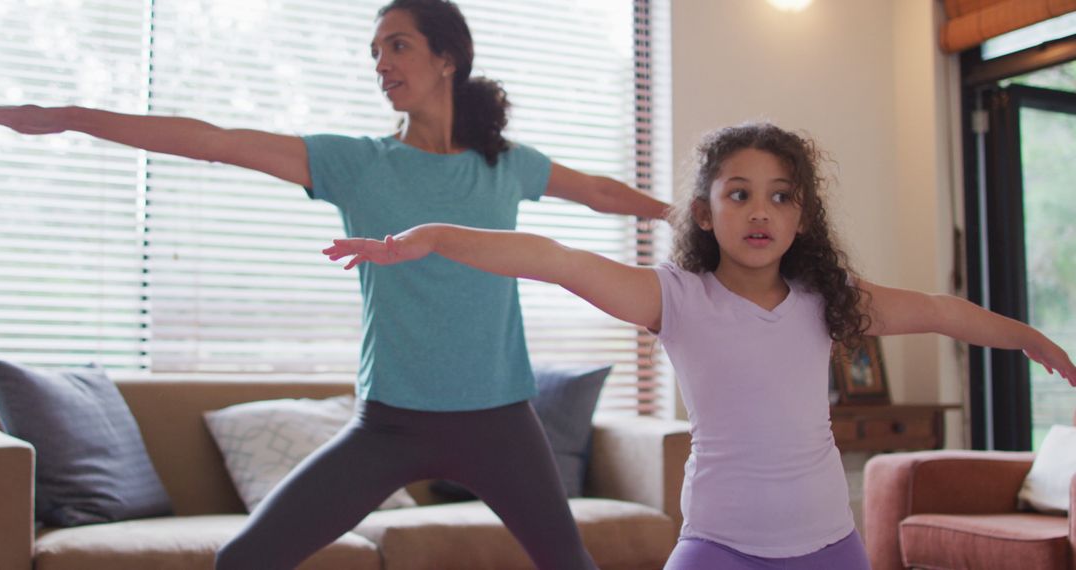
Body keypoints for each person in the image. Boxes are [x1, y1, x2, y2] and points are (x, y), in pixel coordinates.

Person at [0, 1, 669, 568]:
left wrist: (683, 213)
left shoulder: (504, 167)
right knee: (243, 561)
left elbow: (601, 193)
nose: (381, 64)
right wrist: (71, 117)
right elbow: (216, 140)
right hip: (391, 424)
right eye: (375, 51)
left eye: (397, 46)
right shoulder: (356, 165)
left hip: (500, 420)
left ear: (447, 59)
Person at [323, 121, 1076, 570]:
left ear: (802, 216)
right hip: (720, 544)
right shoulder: (675, 299)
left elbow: (944, 312)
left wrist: (1029, 338)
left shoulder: (829, 301)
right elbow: (550, 258)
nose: (760, 211)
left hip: (828, 546)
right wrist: (425, 239)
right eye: (738, 192)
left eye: (781, 194)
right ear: (705, 214)